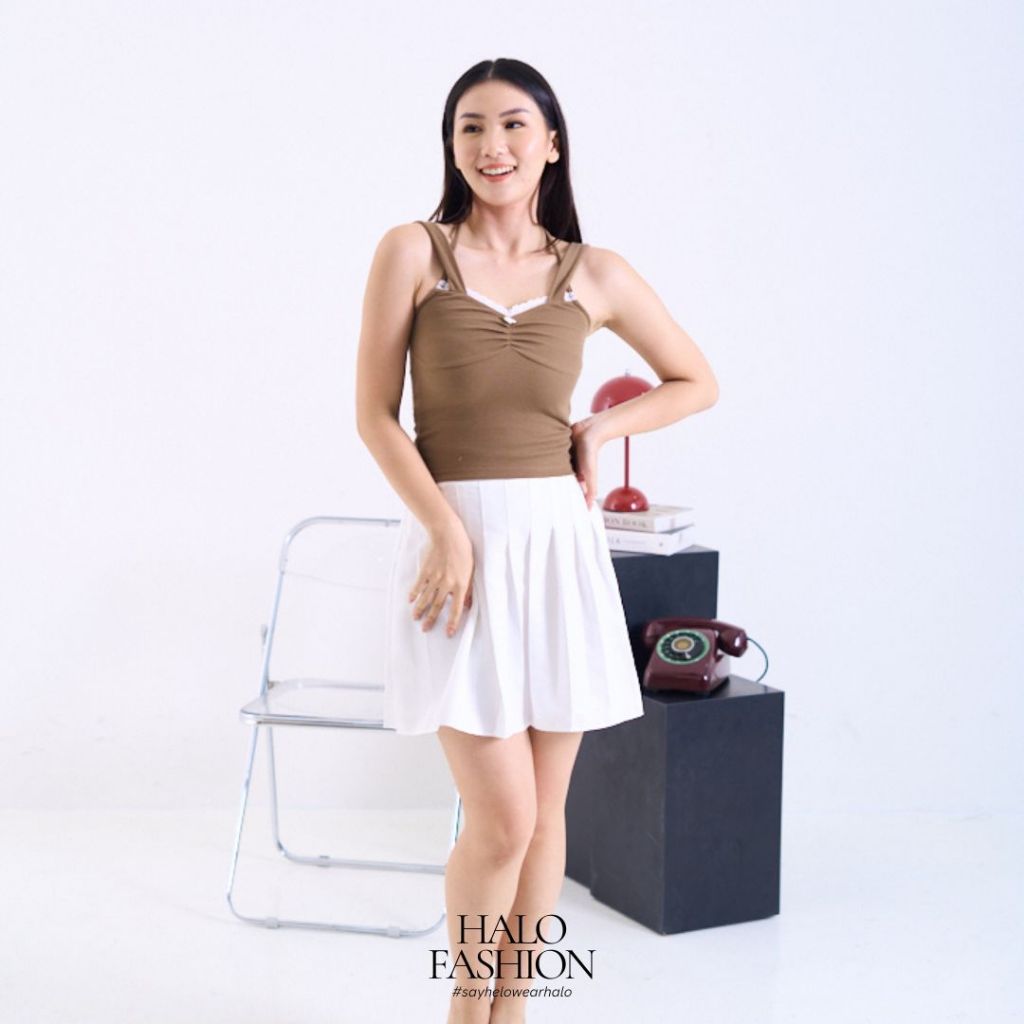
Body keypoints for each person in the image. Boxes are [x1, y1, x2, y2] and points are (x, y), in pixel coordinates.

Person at [355, 58, 719, 1024]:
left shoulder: (593, 272)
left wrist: (599, 431)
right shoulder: (413, 252)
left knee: (545, 816)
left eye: (514, 125)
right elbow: (374, 416)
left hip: (558, 550)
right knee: (502, 820)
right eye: (471, 127)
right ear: (451, 147)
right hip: (457, 558)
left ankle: (511, 1011)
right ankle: (465, 1008)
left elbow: (696, 379)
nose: (493, 146)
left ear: (551, 143)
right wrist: (444, 529)